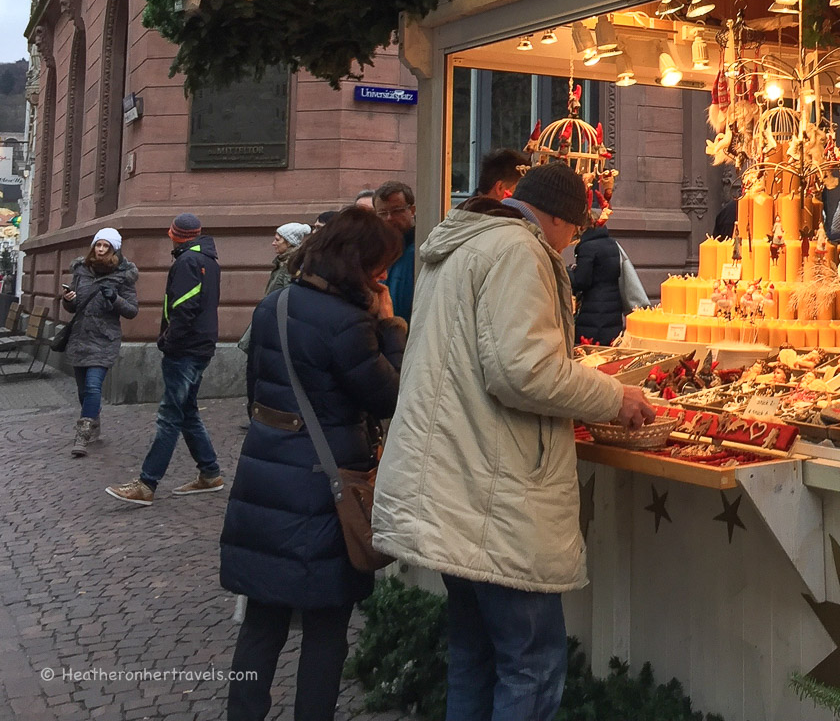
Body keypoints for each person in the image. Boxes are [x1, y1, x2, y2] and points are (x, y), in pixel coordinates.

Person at [372, 162, 654, 721]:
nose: (573, 244)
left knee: (474, 654)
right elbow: (523, 370)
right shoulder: (518, 251)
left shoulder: (459, 243)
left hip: (457, 483)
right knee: (532, 660)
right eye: (574, 231)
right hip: (494, 494)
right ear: (555, 218)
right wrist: (611, 396)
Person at [221, 209, 407, 721]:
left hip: (265, 475)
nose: (384, 276)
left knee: (261, 622)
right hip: (324, 491)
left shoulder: (273, 305)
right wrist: (390, 325)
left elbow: (256, 389)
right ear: (358, 263)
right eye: (379, 265)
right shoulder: (349, 323)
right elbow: (390, 395)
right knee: (327, 629)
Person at [106, 213, 223, 505]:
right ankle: (210, 473)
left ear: (175, 235)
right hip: (201, 345)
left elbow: (184, 308)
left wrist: (168, 340)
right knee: (187, 412)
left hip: (184, 349)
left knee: (170, 416)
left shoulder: (187, 262)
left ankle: (147, 483)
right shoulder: (208, 259)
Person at [61, 228, 139, 457]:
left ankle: (82, 434)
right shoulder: (81, 271)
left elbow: (132, 310)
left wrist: (114, 298)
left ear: (114, 249)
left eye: (106, 246)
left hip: (104, 339)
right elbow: (72, 307)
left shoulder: (123, 276)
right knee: (83, 390)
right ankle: (93, 421)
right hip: (80, 337)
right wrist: (68, 300)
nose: (101, 250)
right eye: (98, 245)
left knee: (94, 386)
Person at [570, 221, 629, 345]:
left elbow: (582, 281)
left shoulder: (587, 247)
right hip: (613, 308)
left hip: (592, 310)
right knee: (608, 352)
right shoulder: (612, 244)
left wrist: (569, 272)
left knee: (589, 355)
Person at [373, 181, 416, 323]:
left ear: (412, 210)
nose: (389, 218)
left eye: (397, 211)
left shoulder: (422, 251)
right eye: (383, 213)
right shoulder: (375, 252)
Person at [266, 222, 311, 295]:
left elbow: (289, 295)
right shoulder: (281, 262)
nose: (273, 243)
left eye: (277, 240)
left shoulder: (293, 264)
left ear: (289, 243)